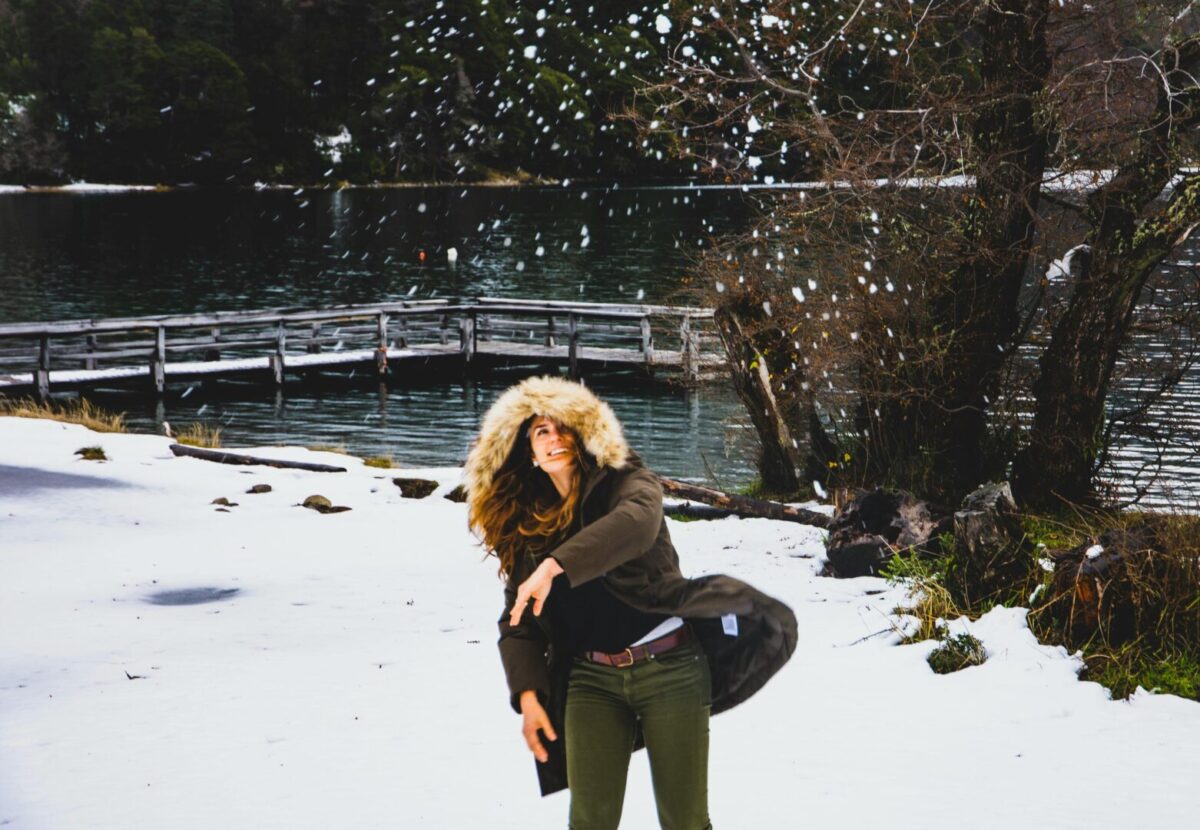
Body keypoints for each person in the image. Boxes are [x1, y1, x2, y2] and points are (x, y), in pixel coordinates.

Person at [465, 375, 797, 830]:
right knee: (590, 821)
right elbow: (518, 621)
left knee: (685, 821)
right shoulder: (530, 528)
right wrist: (528, 695)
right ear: (531, 454)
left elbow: (638, 523)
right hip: (589, 680)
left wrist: (557, 565)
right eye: (542, 432)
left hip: (671, 667)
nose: (554, 438)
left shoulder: (625, 478)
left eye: (563, 427)